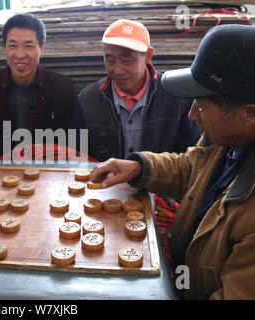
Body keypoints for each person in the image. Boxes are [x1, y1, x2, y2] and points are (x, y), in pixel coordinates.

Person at [90, 24, 255, 299]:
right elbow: (191, 167)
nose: (191, 115)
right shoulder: (226, 141)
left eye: (201, 106)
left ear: (249, 114)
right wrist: (140, 166)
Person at [77, 19, 200, 161]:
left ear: (148, 55)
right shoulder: (87, 100)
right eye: (110, 61)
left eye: (126, 61)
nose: (117, 70)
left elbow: (189, 158)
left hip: (161, 183)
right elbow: (79, 157)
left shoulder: (178, 96)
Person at [0, 13, 79, 161]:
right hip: (0, 170)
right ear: (5, 48)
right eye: (13, 46)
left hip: (49, 171)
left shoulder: (62, 87)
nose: (19, 55)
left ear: (42, 48)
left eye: (28, 46)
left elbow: (74, 141)